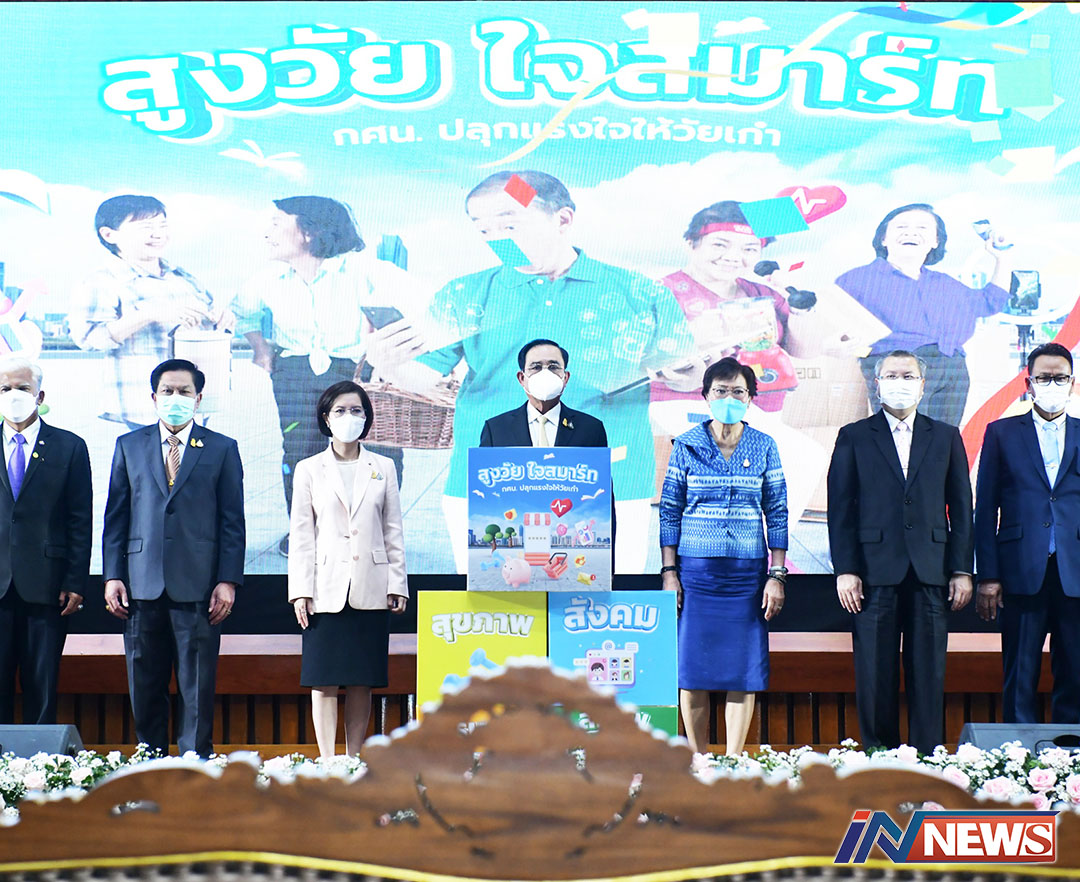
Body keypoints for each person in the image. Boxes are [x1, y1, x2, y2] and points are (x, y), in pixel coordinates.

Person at [365, 170, 696, 573]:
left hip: (608, 474)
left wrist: (686, 374)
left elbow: (685, 373)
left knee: (599, 601)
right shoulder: (464, 294)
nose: (496, 238)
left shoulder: (641, 293)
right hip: (493, 474)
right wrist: (388, 362)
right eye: (483, 228)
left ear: (563, 219)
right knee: (500, 602)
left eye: (508, 223)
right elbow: (424, 377)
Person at [234, 196, 425, 557]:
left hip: (359, 372)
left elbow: (421, 308)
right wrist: (260, 349)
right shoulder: (266, 279)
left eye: (277, 223)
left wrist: (390, 357)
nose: (267, 233)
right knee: (301, 452)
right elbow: (242, 313)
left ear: (309, 232)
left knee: (375, 452)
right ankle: (306, 531)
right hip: (294, 371)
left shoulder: (366, 270)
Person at [653, 200, 836, 527]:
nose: (733, 256)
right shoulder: (661, 291)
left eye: (749, 248)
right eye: (720, 244)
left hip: (760, 406)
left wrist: (800, 308)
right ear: (692, 243)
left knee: (793, 463)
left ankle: (760, 543)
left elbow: (805, 350)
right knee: (795, 457)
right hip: (686, 402)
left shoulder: (762, 292)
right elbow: (650, 361)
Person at [826, 349, 974, 754]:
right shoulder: (855, 435)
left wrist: (962, 569)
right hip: (872, 573)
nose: (900, 383)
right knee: (875, 674)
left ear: (923, 386)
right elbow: (840, 508)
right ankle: (880, 760)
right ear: (878, 384)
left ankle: (928, 759)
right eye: (892, 375)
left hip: (931, 570)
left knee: (929, 674)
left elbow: (962, 508)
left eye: (908, 376)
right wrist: (845, 569)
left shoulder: (945, 436)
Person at [103, 358, 245, 756]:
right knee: (144, 681)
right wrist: (112, 575)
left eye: (185, 391)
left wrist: (227, 580)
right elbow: (116, 517)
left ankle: (194, 764)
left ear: (198, 399)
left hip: (199, 585)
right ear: (154, 397)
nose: (176, 398)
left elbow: (232, 521)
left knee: (196, 685)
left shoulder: (221, 448)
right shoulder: (129, 445)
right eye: (168, 391)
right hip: (141, 583)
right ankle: (149, 760)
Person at [659, 357, 788, 756]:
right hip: (696, 575)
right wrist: (669, 573)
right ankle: (697, 761)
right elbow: (669, 511)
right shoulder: (686, 445)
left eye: (738, 392)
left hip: (747, 577)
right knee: (692, 670)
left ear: (750, 398)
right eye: (721, 391)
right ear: (705, 395)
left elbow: (777, 511)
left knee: (742, 671)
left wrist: (777, 575)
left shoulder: (764, 445)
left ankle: (733, 762)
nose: (729, 398)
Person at [288, 381, 408, 757]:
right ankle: (328, 762)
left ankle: (353, 759)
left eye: (356, 411)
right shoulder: (308, 469)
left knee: (361, 680)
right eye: (340, 411)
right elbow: (301, 535)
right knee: (323, 681)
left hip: (371, 585)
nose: (349, 417)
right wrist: (300, 591)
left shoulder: (383, 467)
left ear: (367, 418)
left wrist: (398, 583)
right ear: (326, 418)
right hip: (324, 589)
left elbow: (392, 529)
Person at [975, 342, 1080, 724]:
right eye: (1044, 378)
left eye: (1060, 378)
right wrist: (988, 576)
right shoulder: (1001, 433)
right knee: (1019, 673)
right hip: (1020, 570)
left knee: (1075, 673)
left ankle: (1071, 753)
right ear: (1028, 383)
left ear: (1072, 383)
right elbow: (985, 508)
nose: (1052, 385)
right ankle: (1018, 752)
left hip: (1075, 571)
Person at [835, 203, 1012, 426]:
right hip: (897, 366)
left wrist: (1003, 258)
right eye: (901, 227)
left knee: (943, 440)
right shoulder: (856, 280)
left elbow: (991, 301)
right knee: (903, 439)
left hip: (952, 369)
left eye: (922, 227)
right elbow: (833, 325)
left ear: (935, 241)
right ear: (883, 238)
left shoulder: (945, 284)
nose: (911, 232)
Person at [69, 195, 234, 428]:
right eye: (146, 227)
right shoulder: (101, 281)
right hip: (144, 406)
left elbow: (208, 321)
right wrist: (147, 314)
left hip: (195, 402)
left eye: (162, 225)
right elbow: (88, 338)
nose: (158, 234)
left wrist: (222, 319)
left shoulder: (183, 277)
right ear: (109, 235)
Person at [0, 356, 92, 725]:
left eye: (22, 388)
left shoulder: (69, 446)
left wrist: (75, 581)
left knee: (42, 687)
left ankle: (40, 758)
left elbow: (79, 520)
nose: (13, 395)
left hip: (48, 586)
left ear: (40, 396)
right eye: (5, 388)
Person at [479, 339, 608, 447]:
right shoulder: (495, 429)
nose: (545, 374)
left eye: (553, 367)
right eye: (536, 367)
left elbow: (599, 470)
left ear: (565, 378)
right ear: (522, 378)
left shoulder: (591, 428)